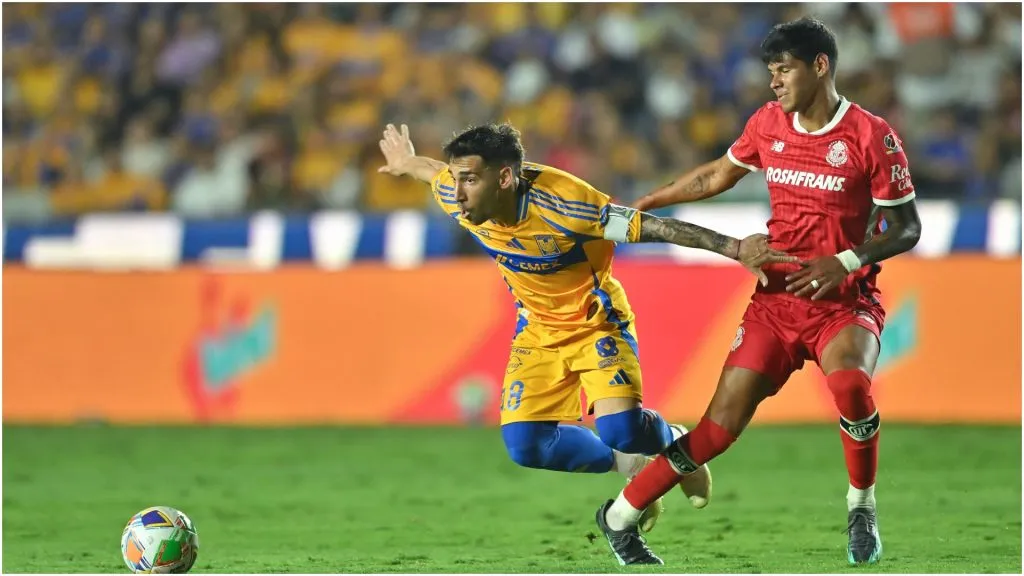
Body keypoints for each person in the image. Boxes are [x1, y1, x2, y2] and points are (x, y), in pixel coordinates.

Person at [594, 17, 922, 566]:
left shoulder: (870, 136)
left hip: (844, 301)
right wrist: (643, 207)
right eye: (770, 71)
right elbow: (713, 177)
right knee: (716, 431)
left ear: (820, 67)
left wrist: (845, 260)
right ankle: (620, 517)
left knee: (850, 387)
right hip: (774, 303)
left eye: (785, 69)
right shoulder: (768, 123)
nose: (775, 82)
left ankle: (860, 506)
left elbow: (906, 228)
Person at [377, 121, 795, 542]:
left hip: (597, 324)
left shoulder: (569, 205)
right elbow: (433, 171)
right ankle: (631, 466)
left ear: (504, 177)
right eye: (457, 178)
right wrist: (406, 161)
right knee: (526, 446)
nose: (458, 191)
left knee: (622, 431)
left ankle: (673, 441)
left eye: (468, 179)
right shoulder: (455, 194)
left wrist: (734, 247)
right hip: (537, 330)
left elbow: (654, 227)